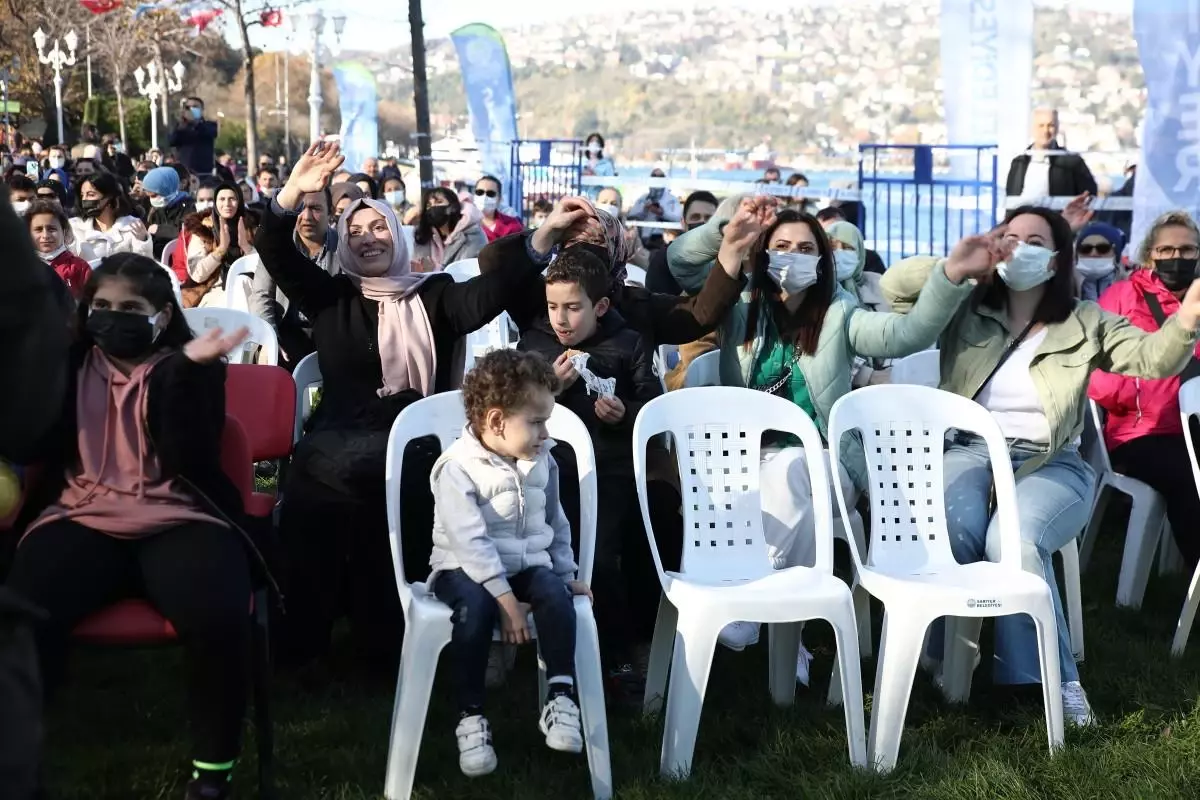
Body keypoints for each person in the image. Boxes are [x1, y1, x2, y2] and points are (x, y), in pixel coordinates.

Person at [881, 205, 1200, 726]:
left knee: (1014, 539)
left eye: (1034, 240)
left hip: (1049, 461)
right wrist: (961, 264)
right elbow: (895, 289)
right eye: (1010, 236)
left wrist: (1187, 318)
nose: (1018, 247)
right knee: (954, 530)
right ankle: (947, 655)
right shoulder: (966, 307)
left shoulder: (1084, 318)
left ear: (1055, 259)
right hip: (966, 451)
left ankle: (1051, 680)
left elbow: (1152, 359)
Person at [255, 141, 558, 667]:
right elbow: (273, 248)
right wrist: (292, 193)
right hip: (339, 439)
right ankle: (304, 644)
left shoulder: (434, 295)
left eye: (378, 228)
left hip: (419, 442)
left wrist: (541, 240)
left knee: (397, 483)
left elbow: (492, 291)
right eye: (354, 231)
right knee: (317, 488)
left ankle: (389, 642)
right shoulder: (331, 296)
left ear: (395, 234)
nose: (367, 238)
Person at [668, 201, 980, 678]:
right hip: (744, 455)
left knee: (795, 470)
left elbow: (905, 334)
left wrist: (950, 275)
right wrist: (725, 230)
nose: (794, 257)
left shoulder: (840, 313)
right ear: (763, 254)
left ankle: (749, 598)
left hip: (823, 457)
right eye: (782, 247)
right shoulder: (741, 302)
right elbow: (680, 265)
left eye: (806, 248)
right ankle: (788, 628)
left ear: (822, 260)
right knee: (801, 500)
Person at [7, 254, 258, 800]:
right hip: (81, 513)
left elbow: (188, 451)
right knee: (22, 614)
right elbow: (32, 441)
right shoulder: (68, 362)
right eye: (101, 307)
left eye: (130, 309)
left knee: (218, 617)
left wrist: (184, 371)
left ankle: (212, 774)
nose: (112, 318)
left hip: (179, 515)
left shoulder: (194, 368)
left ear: (163, 317)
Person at [517, 248, 671, 700]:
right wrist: (551, 389)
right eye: (553, 306)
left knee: (607, 549)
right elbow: (512, 410)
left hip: (612, 470)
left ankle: (624, 652)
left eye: (573, 307)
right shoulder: (536, 343)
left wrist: (625, 413)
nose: (561, 319)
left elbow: (655, 408)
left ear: (600, 306)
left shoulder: (628, 343)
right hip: (547, 469)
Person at [428, 348, 588, 775]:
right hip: (461, 569)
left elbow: (556, 521)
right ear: (497, 421)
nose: (544, 432)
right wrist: (506, 600)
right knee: (474, 608)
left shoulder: (542, 459)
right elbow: (470, 541)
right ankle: (471, 715)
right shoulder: (457, 467)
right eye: (536, 422)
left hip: (524, 565)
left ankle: (560, 696)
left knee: (555, 593)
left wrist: (566, 574)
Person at [1089, 211, 1200, 570]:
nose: (1177, 258)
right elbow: (1095, 373)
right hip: (1141, 432)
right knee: (1188, 480)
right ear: (1149, 255)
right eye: (1166, 250)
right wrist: (1141, 389)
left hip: (1194, 427)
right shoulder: (1121, 296)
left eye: (1187, 250)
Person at [249, 185, 338, 368]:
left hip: (329, 334)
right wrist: (269, 338)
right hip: (284, 328)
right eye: (300, 208)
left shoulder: (343, 246)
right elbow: (261, 295)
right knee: (256, 353)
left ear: (331, 213)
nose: (306, 217)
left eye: (315, 208)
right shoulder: (276, 246)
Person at [183, 182, 253, 309]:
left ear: (240, 201)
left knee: (242, 282)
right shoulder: (203, 229)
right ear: (216, 202)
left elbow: (265, 267)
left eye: (232, 199)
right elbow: (197, 274)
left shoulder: (252, 226)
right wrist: (220, 250)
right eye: (222, 199)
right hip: (215, 291)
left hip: (250, 288)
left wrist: (246, 247)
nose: (227, 204)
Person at [1006, 107, 1098, 201]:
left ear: (1057, 128)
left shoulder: (1073, 162)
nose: (1045, 131)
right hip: (1023, 214)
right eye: (1041, 125)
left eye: (1051, 125)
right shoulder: (1019, 162)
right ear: (1032, 129)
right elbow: (1010, 198)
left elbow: (1089, 196)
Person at [645, 190, 719, 295]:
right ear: (683, 223)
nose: (702, 222)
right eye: (695, 217)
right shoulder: (664, 259)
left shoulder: (724, 258)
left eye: (709, 218)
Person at [69, 171, 152, 261]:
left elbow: (144, 265)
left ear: (109, 198)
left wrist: (142, 242)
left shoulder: (132, 226)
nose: (84, 199)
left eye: (91, 194)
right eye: (82, 195)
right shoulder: (74, 227)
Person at [25, 200, 91, 299]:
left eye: (52, 229)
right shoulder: (21, 268)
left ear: (64, 231)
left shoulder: (80, 268)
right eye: (38, 230)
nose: (45, 236)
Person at [411, 188, 487, 272]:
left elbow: (466, 276)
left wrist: (435, 270)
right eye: (429, 205)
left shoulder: (474, 236)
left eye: (439, 202)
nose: (433, 208)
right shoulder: (422, 237)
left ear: (453, 207)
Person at [142, 166, 195, 259]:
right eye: (149, 196)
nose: (152, 199)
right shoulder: (156, 209)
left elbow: (186, 233)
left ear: (166, 189)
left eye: (154, 195)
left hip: (180, 259)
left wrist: (160, 230)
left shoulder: (188, 206)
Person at [628, 169, 682, 248]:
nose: (657, 179)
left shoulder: (672, 200)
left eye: (660, 177)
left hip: (664, 238)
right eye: (654, 176)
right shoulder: (643, 198)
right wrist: (644, 209)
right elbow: (631, 216)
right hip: (644, 239)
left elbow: (678, 218)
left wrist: (662, 213)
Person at [1074, 221, 1126, 302]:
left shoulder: (1133, 287)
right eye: (1086, 249)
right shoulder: (1065, 286)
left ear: (1116, 254)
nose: (1093, 253)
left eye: (1102, 248)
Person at [169, 96, 219, 175]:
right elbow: (172, 141)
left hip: (204, 172)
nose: (191, 109)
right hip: (185, 172)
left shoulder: (210, 125)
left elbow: (210, 133)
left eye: (195, 107)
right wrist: (182, 124)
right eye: (188, 107)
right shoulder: (181, 127)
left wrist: (196, 122)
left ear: (202, 110)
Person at [474, 174, 523, 242]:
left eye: (490, 194)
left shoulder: (513, 225)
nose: (484, 197)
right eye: (479, 192)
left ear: (499, 198)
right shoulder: (465, 224)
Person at [581, 133, 616, 199]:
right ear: (588, 144)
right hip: (582, 199)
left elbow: (610, 186)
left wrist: (595, 175)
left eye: (597, 142)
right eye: (591, 141)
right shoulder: (581, 162)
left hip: (598, 199)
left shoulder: (607, 165)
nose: (594, 144)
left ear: (601, 146)